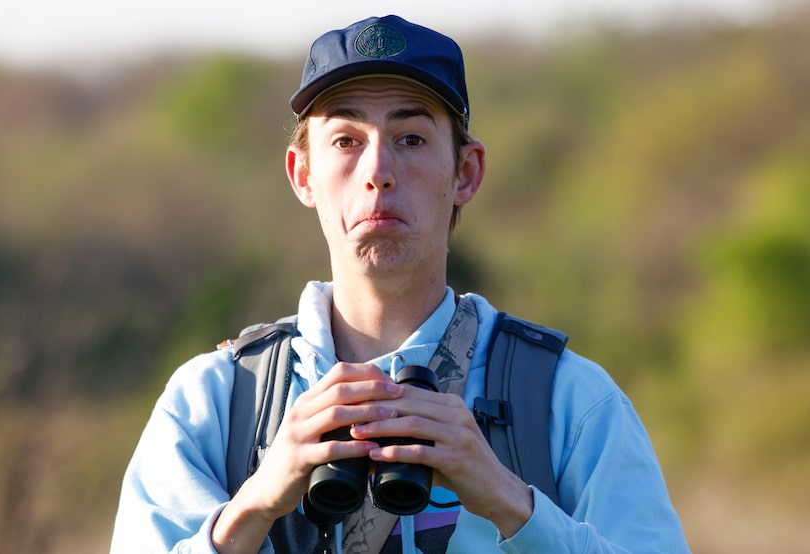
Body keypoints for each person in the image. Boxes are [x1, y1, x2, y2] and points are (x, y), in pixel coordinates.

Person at [111, 14, 690, 553]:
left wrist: (511, 502)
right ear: (302, 173)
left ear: (466, 172)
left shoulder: (570, 401)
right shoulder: (216, 400)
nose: (378, 172)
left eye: (411, 138)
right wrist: (256, 504)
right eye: (345, 141)